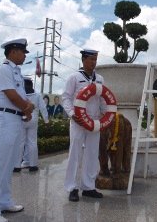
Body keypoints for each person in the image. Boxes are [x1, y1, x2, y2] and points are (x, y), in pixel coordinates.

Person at [0, 38, 35, 222]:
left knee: (9, 164)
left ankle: (4, 201)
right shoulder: (3, 69)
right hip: (4, 118)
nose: (24, 55)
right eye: (22, 52)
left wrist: (26, 110)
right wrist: (27, 107)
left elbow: (20, 96)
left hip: (15, 118)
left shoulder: (16, 71)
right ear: (13, 52)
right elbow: (11, 95)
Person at [62, 49, 106, 201]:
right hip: (78, 121)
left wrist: (105, 116)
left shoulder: (99, 78)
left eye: (95, 59)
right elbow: (66, 98)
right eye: (91, 59)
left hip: (94, 121)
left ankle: (88, 186)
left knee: (92, 154)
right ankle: (72, 187)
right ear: (84, 60)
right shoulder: (74, 78)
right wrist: (72, 114)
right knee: (75, 153)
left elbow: (102, 99)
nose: (94, 62)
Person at [15, 78, 49, 172]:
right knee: (32, 142)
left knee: (20, 142)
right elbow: (43, 108)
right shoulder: (37, 95)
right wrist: (46, 121)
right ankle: (33, 165)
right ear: (31, 85)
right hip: (33, 119)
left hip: (21, 118)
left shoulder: (20, 94)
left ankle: (17, 166)